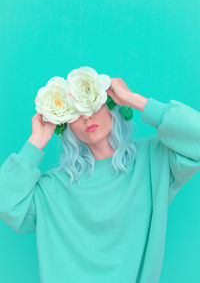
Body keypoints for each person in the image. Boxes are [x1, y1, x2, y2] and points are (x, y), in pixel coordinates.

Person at [0, 78, 200, 283]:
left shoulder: (154, 159)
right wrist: (37, 141)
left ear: (111, 106)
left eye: (93, 105)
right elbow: (6, 202)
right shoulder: (53, 187)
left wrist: (134, 100)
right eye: (75, 113)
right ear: (66, 125)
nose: (86, 117)